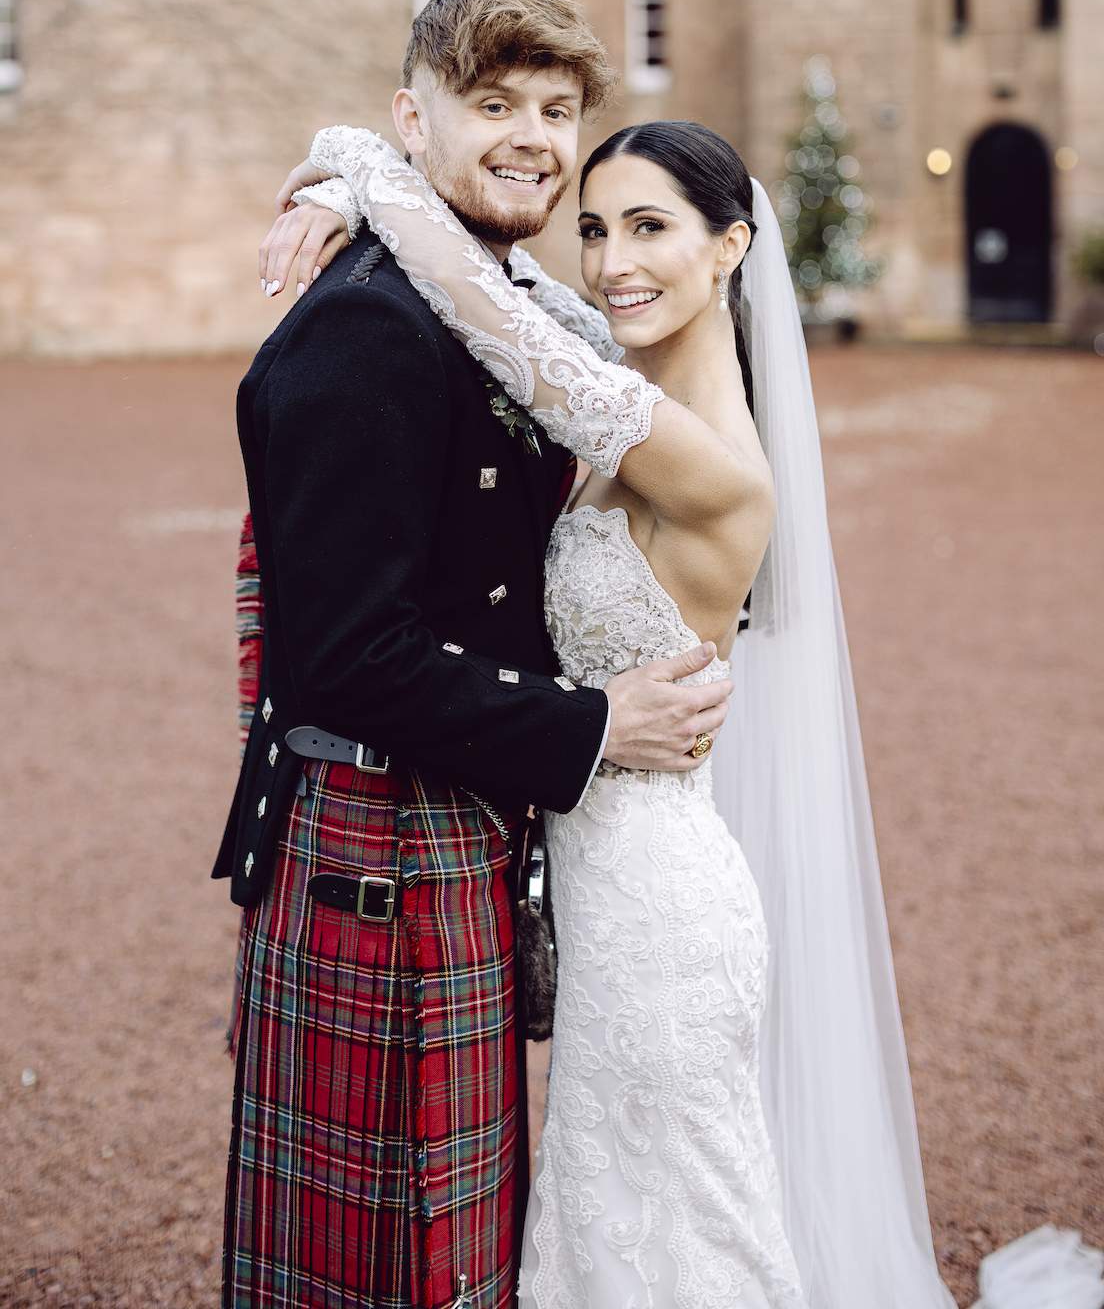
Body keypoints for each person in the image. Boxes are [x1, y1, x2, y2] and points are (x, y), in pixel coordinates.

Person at [262, 111, 959, 1309]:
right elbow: (514, 292)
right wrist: (348, 183)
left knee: (681, 1242)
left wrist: (363, 163)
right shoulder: (616, 379)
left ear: (730, 248)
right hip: (586, 893)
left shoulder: (708, 460)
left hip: (656, 916)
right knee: (612, 1235)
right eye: (593, 230)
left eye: (648, 228)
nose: (611, 263)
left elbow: (481, 305)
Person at [215, 0, 735, 1309]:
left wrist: (348, 174)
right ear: (415, 120)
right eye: (492, 102)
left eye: (556, 111)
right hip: (378, 856)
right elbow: (349, 656)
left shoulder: (485, 309)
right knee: (389, 1271)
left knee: (449, 1260)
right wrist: (596, 726)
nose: (532, 138)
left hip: (451, 840)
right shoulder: (367, 329)